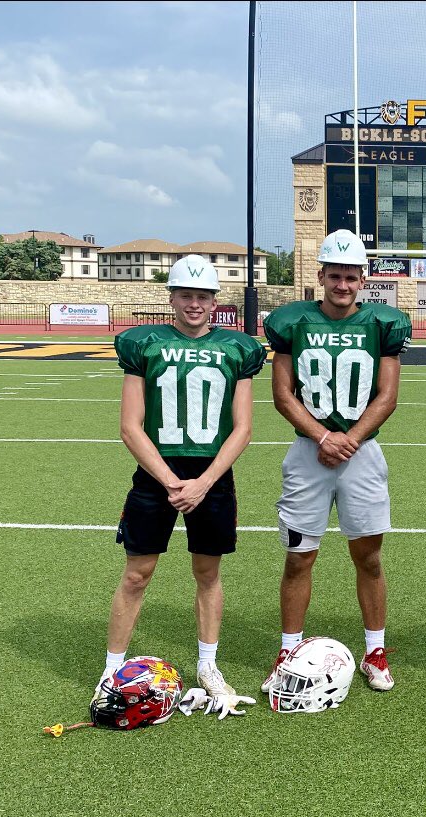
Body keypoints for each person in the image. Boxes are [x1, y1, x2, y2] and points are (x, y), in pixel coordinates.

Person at [97, 254, 267, 716]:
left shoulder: (237, 348)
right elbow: (130, 426)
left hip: (212, 475)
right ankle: (111, 671)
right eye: (186, 295)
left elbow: (243, 429)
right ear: (172, 298)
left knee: (208, 573)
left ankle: (208, 665)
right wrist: (173, 481)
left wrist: (203, 482)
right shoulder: (145, 344)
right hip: (158, 474)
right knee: (137, 573)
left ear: (215, 301)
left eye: (203, 296)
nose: (195, 304)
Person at [260, 229, 411, 694]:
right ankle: (288, 651)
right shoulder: (293, 322)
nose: (342, 285)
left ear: (363, 279)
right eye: (335, 276)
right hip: (309, 452)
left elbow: (387, 397)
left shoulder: (382, 324)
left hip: (362, 454)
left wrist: (349, 439)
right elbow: (283, 394)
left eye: (350, 277)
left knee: (369, 558)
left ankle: (375, 650)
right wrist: (324, 436)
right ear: (321, 276)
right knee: (298, 558)